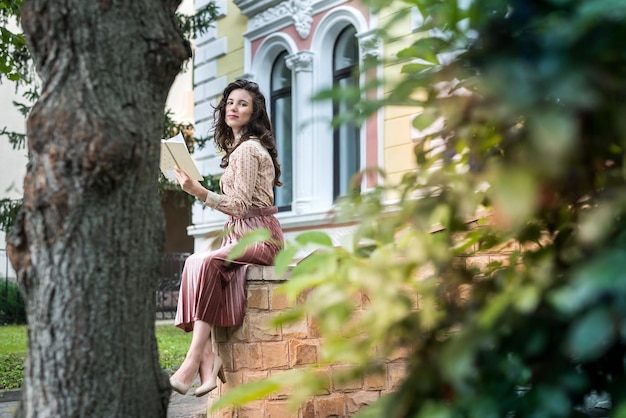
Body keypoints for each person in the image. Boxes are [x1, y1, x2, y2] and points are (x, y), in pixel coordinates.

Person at [168, 79, 284, 397]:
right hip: (239, 234)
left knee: (207, 262)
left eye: (242, 103)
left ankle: (194, 360)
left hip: (259, 236)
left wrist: (199, 191)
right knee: (194, 261)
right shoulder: (237, 149)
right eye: (230, 102)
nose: (233, 108)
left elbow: (240, 206)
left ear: (254, 112)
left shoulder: (247, 150)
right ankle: (208, 359)